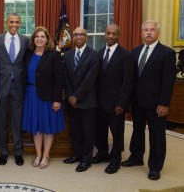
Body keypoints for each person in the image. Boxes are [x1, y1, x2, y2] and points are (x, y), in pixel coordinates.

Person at [121, 20, 177, 180]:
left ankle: (155, 167)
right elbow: (132, 79)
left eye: (152, 30)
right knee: (137, 131)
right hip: (137, 101)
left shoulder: (166, 53)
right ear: (141, 33)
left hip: (156, 103)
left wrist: (164, 103)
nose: (149, 32)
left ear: (158, 32)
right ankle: (136, 157)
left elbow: (168, 81)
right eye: (145, 30)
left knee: (157, 135)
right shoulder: (135, 51)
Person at [22, 26, 64, 169]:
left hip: (48, 96)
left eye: (42, 37)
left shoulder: (54, 55)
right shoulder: (27, 54)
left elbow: (59, 79)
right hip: (30, 94)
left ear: (47, 39)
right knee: (36, 127)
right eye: (37, 36)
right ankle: (38, 154)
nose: (39, 39)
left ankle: (46, 155)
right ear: (34, 39)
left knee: (47, 126)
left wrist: (57, 99)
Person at [93, 24, 133, 174]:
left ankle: (115, 160)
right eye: (108, 33)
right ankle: (102, 154)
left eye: (114, 34)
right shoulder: (99, 53)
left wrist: (122, 103)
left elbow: (127, 82)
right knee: (100, 131)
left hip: (116, 104)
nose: (110, 36)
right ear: (105, 34)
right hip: (99, 102)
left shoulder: (126, 55)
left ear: (119, 36)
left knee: (117, 133)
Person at [0, 13, 29, 166]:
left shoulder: (26, 40)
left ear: (20, 23)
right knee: (1, 121)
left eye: (17, 22)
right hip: (1, 85)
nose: (14, 24)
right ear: (6, 22)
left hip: (18, 86)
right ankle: (3, 152)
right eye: (11, 22)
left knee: (17, 121)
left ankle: (18, 152)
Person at [62, 27, 99, 172]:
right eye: (75, 34)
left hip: (87, 100)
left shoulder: (94, 55)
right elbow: (66, 77)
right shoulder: (67, 55)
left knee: (87, 131)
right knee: (75, 130)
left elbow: (90, 79)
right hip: (71, 101)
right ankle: (76, 155)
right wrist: (71, 95)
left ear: (86, 37)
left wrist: (77, 96)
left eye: (81, 34)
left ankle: (86, 159)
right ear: (72, 37)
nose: (78, 37)